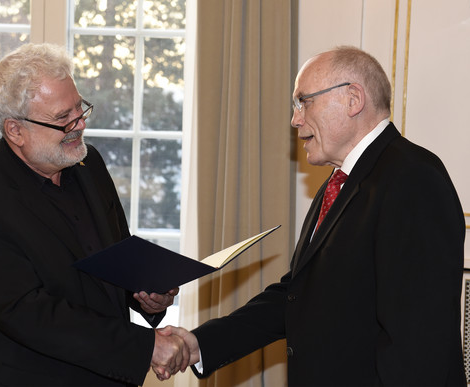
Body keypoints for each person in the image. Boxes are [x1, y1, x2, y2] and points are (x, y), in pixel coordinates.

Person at [156, 46, 466, 385]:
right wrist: (201, 343)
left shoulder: (412, 179)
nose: (295, 119)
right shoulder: (341, 182)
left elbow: (419, 342)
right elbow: (300, 295)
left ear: (353, 99)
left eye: (305, 101)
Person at [0, 43, 189, 386]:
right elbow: (31, 314)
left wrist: (148, 298)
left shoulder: (89, 164)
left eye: (80, 109)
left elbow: (114, 261)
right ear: (15, 130)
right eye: (62, 118)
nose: (79, 126)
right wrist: (144, 347)